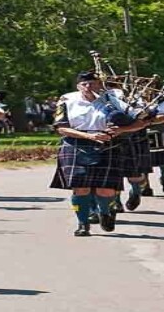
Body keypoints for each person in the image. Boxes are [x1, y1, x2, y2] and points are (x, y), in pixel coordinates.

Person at [50, 72, 134, 237]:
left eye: (92, 83)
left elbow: (137, 120)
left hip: (107, 144)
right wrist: (89, 136)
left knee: (106, 191)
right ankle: (82, 223)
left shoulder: (113, 100)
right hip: (76, 143)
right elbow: (60, 128)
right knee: (80, 189)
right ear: (78, 86)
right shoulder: (67, 100)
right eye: (84, 84)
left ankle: (105, 212)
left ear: (99, 85)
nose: (88, 87)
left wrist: (119, 130)